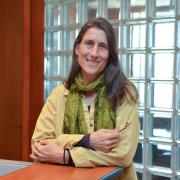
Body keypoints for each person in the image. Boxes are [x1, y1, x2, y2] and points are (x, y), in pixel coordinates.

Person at [31, 17, 140, 180]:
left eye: (102, 46)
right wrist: (87, 140)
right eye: (89, 43)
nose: (94, 53)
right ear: (77, 48)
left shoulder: (124, 92)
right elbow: (39, 146)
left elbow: (123, 155)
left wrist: (65, 156)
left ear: (110, 55)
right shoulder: (59, 94)